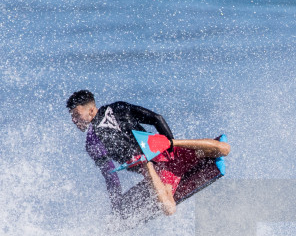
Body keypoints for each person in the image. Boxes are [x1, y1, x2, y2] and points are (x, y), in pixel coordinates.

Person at [66, 89, 229, 222]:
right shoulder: (118, 107)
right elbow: (157, 119)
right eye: (72, 116)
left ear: (91, 110)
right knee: (223, 149)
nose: (74, 120)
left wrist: (117, 208)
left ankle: (151, 163)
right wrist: (170, 145)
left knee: (169, 209)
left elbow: (111, 178)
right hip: (169, 155)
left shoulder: (93, 143)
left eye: (76, 114)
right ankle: (161, 156)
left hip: (159, 168)